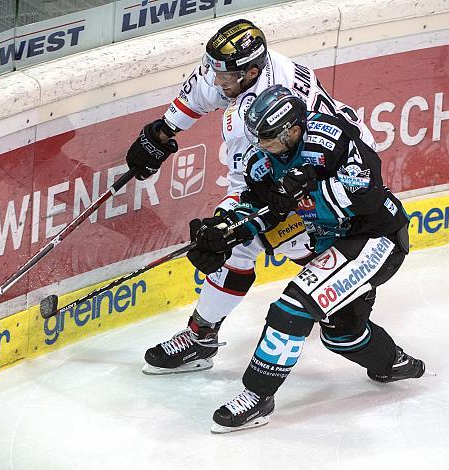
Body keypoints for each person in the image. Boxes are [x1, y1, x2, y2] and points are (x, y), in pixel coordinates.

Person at [125, 19, 377, 375]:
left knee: (260, 239)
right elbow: (202, 90)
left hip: (331, 173)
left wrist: (224, 223)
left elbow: (248, 188)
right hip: (300, 160)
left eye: (225, 77)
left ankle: (346, 287)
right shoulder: (242, 67)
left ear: (251, 72)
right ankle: (201, 337)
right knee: (242, 244)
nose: (217, 80)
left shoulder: (257, 114)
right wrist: (161, 133)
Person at [187, 85, 424, 433]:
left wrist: (307, 188)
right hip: (327, 241)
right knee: (343, 334)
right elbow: (261, 206)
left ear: (293, 130)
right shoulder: (261, 161)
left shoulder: (333, 138)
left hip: (374, 237)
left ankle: (257, 396)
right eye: (258, 139)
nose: (262, 147)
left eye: (269, 139)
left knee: (291, 308)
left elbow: (368, 196)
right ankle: (393, 362)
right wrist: (229, 229)